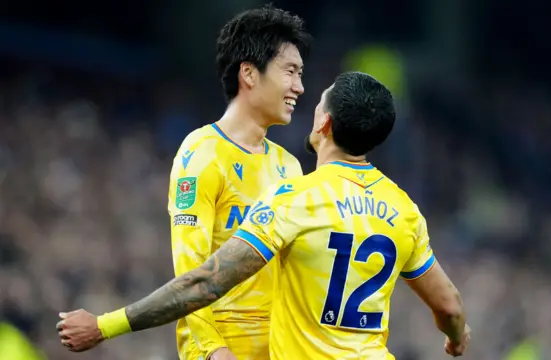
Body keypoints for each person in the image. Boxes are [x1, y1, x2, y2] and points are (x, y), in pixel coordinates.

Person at [57, 72, 471, 359]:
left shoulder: (294, 198)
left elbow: (205, 282)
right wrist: (456, 339)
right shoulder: (404, 210)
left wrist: (105, 325)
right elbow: (448, 306)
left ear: (324, 123)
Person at [103, 6, 308, 360]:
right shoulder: (202, 153)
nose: (299, 87)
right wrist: (214, 349)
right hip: (222, 347)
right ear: (249, 73)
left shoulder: (289, 166)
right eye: (290, 71)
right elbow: (190, 266)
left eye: (300, 74)